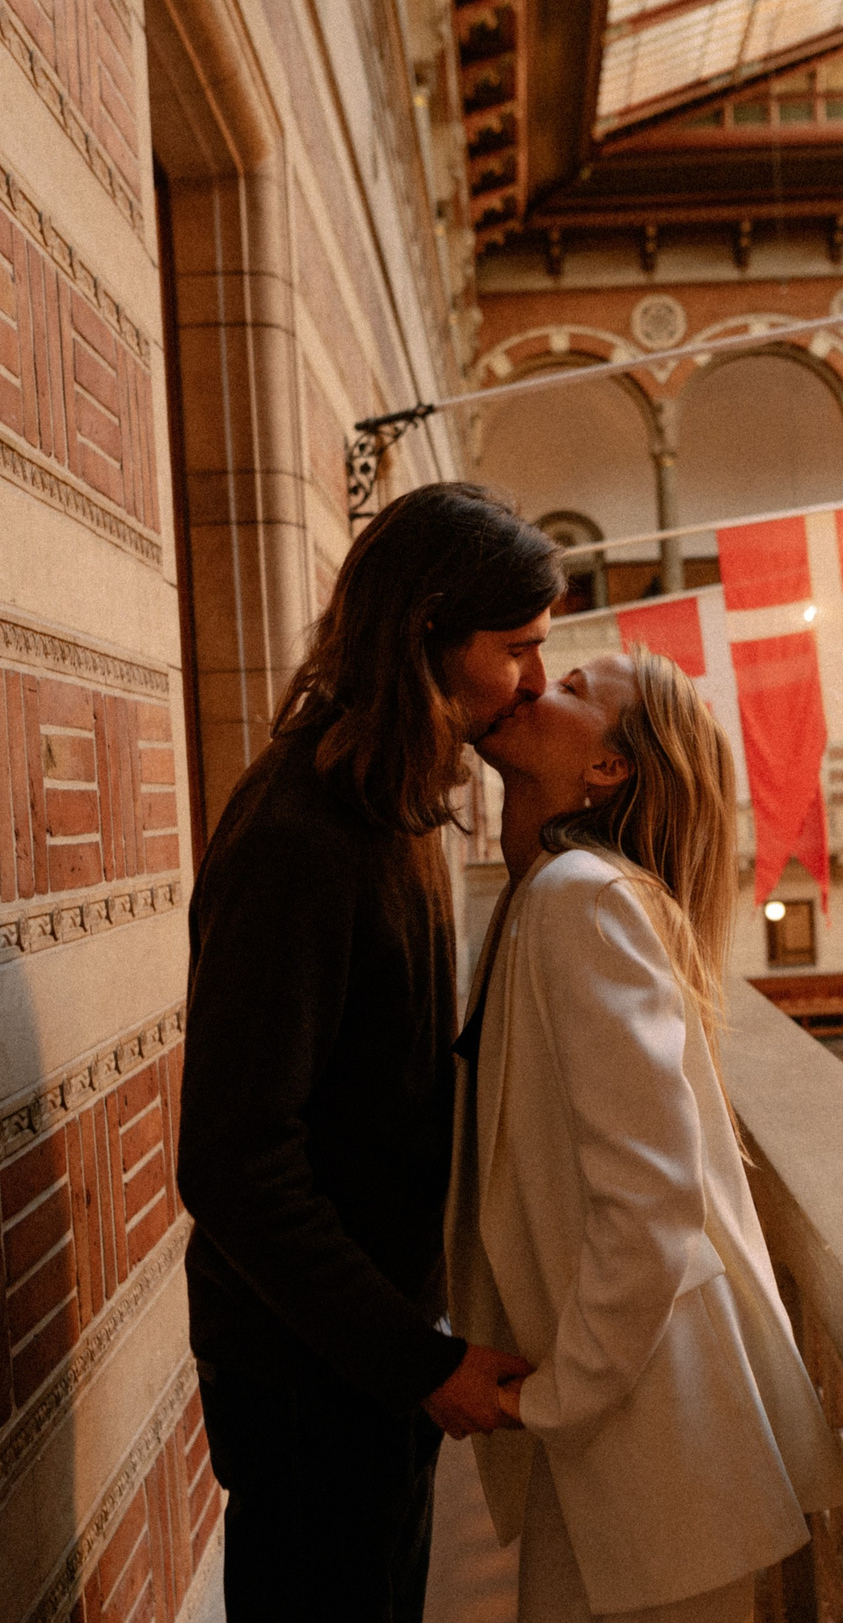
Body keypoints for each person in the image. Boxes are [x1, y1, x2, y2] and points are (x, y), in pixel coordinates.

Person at [177, 482, 563, 1622]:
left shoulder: (382, 802)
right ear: (427, 631)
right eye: (516, 649)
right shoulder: (304, 832)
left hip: (359, 1360)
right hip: (310, 1374)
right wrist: (415, 1360)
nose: (536, 681)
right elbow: (236, 1159)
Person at [450, 650, 843, 1623]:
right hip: (626, 1442)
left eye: (579, 688)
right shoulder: (555, 892)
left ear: (609, 770)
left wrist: (536, 1400)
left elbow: (652, 1197)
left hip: (652, 1443)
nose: (538, 682)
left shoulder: (581, 899)